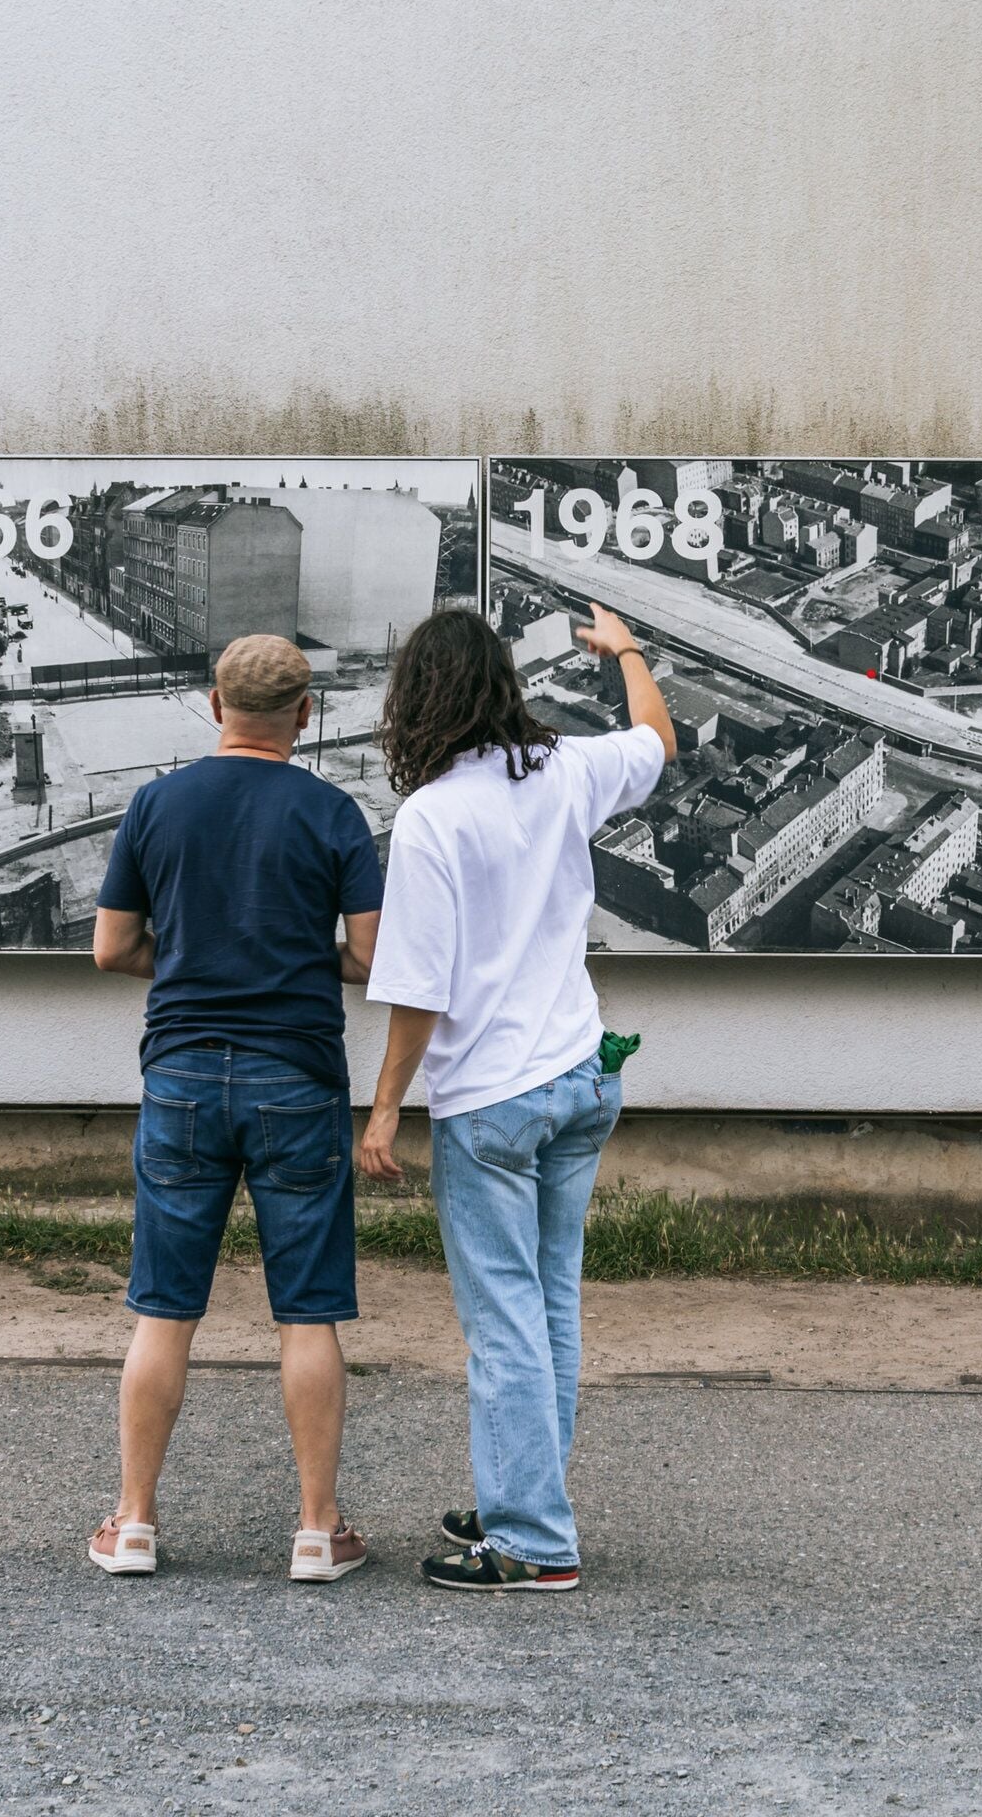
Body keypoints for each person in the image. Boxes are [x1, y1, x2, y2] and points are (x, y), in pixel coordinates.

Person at [359, 601, 677, 1594]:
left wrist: (380, 1113)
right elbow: (657, 742)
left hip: (492, 1103)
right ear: (505, 684)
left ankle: (533, 1537)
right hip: (583, 1076)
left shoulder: (431, 819)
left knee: (503, 1319)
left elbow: (417, 990)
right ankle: (526, 1492)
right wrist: (625, 652)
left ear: (415, 703)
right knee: (548, 1304)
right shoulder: (565, 770)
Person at [85, 633, 383, 1585]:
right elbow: (374, 961)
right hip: (297, 1079)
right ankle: (316, 1531)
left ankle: (132, 1523)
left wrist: (186, 961)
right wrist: (299, 960)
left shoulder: (156, 804)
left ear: (215, 705)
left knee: (164, 1313)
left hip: (179, 1076)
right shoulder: (335, 813)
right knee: (305, 1315)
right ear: (307, 713)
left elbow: (111, 948)